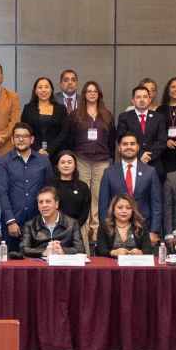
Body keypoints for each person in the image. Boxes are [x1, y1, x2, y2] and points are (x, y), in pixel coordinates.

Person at [68, 80, 114, 236]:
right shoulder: (75, 115)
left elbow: (112, 138)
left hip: (102, 160)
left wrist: (111, 158)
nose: (92, 93)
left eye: (95, 91)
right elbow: (70, 137)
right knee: (82, 193)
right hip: (82, 159)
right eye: (89, 91)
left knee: (99, 195)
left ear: (99, 94)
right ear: (84, 94)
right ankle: (84, 227)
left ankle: (96, 229)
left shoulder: (107, 115)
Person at [97, 134, 162, 243]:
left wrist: (154, 231)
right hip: (116, 231)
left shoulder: (150, 172)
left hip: (144, 229)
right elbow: (103, 206)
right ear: (119, 148)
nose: (128, 147)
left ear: (138, 147)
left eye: (132, 144)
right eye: (125, 144)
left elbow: (156, 204)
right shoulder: (109, 173)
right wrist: (106, 231)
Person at [0, 123, 53, 244]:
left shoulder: (43, 161)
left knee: (39, 256)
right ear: (12, 140)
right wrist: (10, 221)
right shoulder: (4, 162)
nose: (21, 139)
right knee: (12, 256)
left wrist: (47, 219)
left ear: (31, 139)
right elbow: (1, 193)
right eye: (17, 136)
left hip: (39, 222)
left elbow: (49, 191)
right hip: (13, 223)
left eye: (25, 136)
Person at [20, 186, 85, 257]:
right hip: (40, 262)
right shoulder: (30, 225)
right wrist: (43, 252)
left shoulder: (72, 223)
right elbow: (23, 249)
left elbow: (80, 249)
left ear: (56, 204)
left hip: (63, 262)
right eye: (41, 202)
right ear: (38, 206)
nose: (44, 205)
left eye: (48, 201)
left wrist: (63, 251)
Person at [117, 85, 167, 176]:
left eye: (145, 97)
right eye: (138, 97)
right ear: (133, 100)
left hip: (154, 163)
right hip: (132, 161)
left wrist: (149, 156)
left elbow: (162, 140)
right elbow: (121, 138)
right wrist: (140, 154)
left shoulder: (158, 117)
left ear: (149, 100)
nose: (142, 100)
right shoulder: (124, 117)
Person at [20, 77, 69, 158]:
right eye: (40, 87)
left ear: (51, 90)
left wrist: (49, 150)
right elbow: (25, 130)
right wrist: (38, 149)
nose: (43, 90)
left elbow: (64, 132)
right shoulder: (28, 108)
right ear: (35, 91)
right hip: (33, 152)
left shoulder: (61, 108)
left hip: (56, 152)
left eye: (46, 87)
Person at [50, 151, 92, 236]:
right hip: (53, 229)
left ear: (75, 165)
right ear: (57, 166)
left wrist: (74, 227)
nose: (66, 165)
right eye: (62, 162)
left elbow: (85, 212)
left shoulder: (83, 187)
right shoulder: (50, 186)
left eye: (69, 162)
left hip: (78, 229)